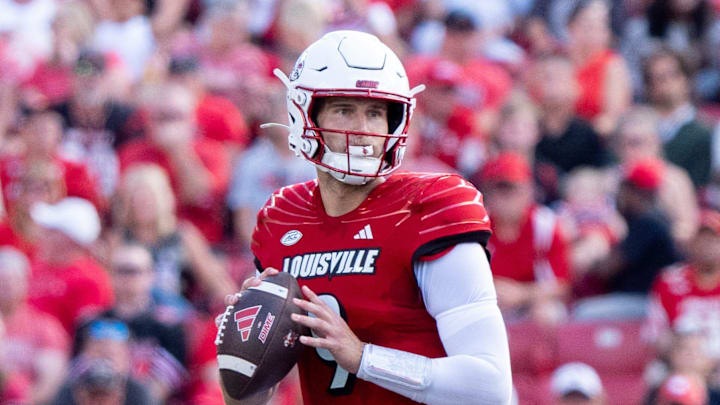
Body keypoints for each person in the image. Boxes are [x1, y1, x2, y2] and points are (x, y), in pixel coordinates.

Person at [220, 31, 512, 405]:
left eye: (375, 113)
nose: (363, 130)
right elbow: (246, 401)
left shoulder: (429, 207)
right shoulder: (282, 218)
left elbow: (490, 387)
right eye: (344, 109)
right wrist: (243, 356)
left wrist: (362, 358)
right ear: (303, 113)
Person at [478, 152, 571, 325]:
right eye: (499, 190)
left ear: (528, 190)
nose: (505, 198)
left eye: (512, 189)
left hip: (532, 302)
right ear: (487, 193)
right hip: (489, 302)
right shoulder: (475, 227)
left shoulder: (545, 226)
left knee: (548, 313)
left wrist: (521, 294)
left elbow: (561, 286)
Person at [0, 246, 69, 404]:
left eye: (14, 279)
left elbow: (51, 381)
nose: (7, 286)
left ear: (26, 282)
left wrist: (25, 401)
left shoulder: (46, 327)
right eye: (1, 279)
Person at [644, 48, 713, 188]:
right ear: (648, 86)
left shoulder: (707, 131)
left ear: (686, 79)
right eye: (656, 77)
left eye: (671, 75)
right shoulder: (637, 129)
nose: (664, 82)